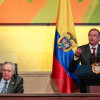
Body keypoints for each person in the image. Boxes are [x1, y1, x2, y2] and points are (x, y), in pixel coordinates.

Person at [69, 28, 100, 93]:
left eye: (94, 35)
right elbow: (71, 67)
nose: (91, 37)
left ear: (99, 38)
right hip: (85, 85)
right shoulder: (81, 49)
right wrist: (76, 56)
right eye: (90, 35)